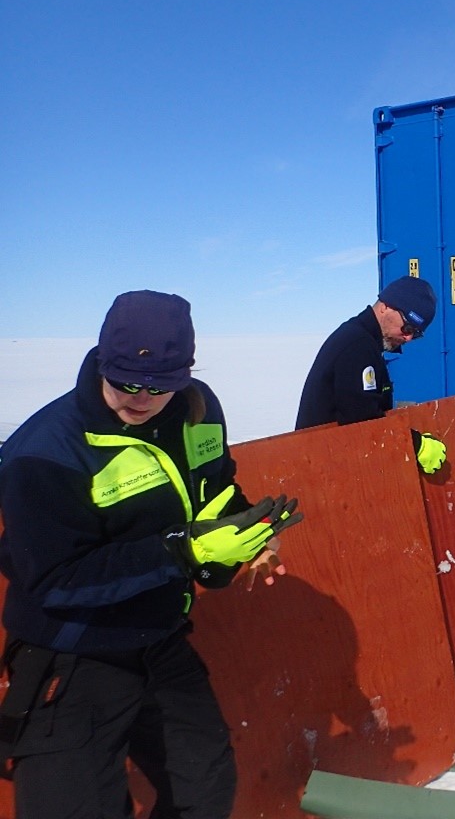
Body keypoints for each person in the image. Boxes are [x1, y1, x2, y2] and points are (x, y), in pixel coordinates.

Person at [0, 290, 302, 817]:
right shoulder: (45, 452)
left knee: (203, 786)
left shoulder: (198, 410)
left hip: (158, 636)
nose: (140, 398)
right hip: (73, 651)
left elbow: (214, 486)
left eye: (159, 386)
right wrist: (184, 552)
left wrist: (247, 533)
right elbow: (56, 579)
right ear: (102, 361)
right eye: (125, 382)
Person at [294, 275, 437, 431]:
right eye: (407, 328)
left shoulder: (364, 340)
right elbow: (364, 422)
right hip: (323, 445)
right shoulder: (357, 346)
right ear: (386, 307)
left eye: (416, 334)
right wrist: (416, 441)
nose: (408, 338)